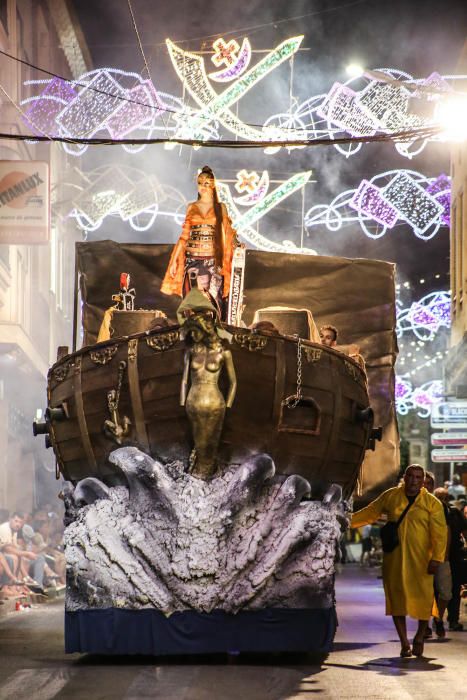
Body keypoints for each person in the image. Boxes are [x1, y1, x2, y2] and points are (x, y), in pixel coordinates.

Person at [351, 464, 447, 657]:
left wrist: (437, 558)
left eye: (418, 478)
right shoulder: (391, 496)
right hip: (394, 558)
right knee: (396, 600)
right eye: (410, 476)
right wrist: (346, 521)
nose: (413, 480)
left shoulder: (432, 503)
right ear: (405, 477)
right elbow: (371, 512)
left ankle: (420, 635)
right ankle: (404, 643)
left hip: (421, 561)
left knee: (424, 599)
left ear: (423, 482)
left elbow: (440, 533)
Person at [161, 166, 241, 318]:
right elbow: (184, 236)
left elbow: (228, 231)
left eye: (206, 183)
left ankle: (214, 334)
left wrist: (237, 244)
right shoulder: (192, 207)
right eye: (200, 182)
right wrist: (173, 262)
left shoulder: (220, 207)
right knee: (192, 302)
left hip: (211, 262)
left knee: (212, 301)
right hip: (192, 261)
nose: (202, 186)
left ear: (213, 185)